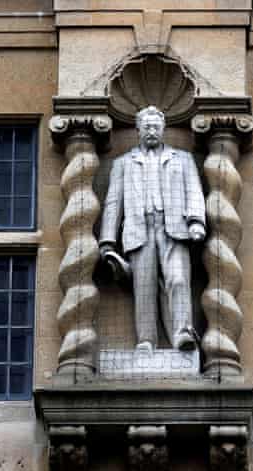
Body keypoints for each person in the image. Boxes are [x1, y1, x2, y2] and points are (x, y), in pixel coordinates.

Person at [99, 106, 206, 353]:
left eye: (155, 127)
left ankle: (182, 334)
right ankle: (146, 340)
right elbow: (113, 203)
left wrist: (196, 221)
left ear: (163, 129)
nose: (151, 131)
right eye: (146, 127)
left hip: (173, 228)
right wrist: (107, 240)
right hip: (139, 229)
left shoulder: (182, 159)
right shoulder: (123, 163)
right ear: (137, 130)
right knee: (144, 287)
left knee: (178, 279)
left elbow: (194, 191)